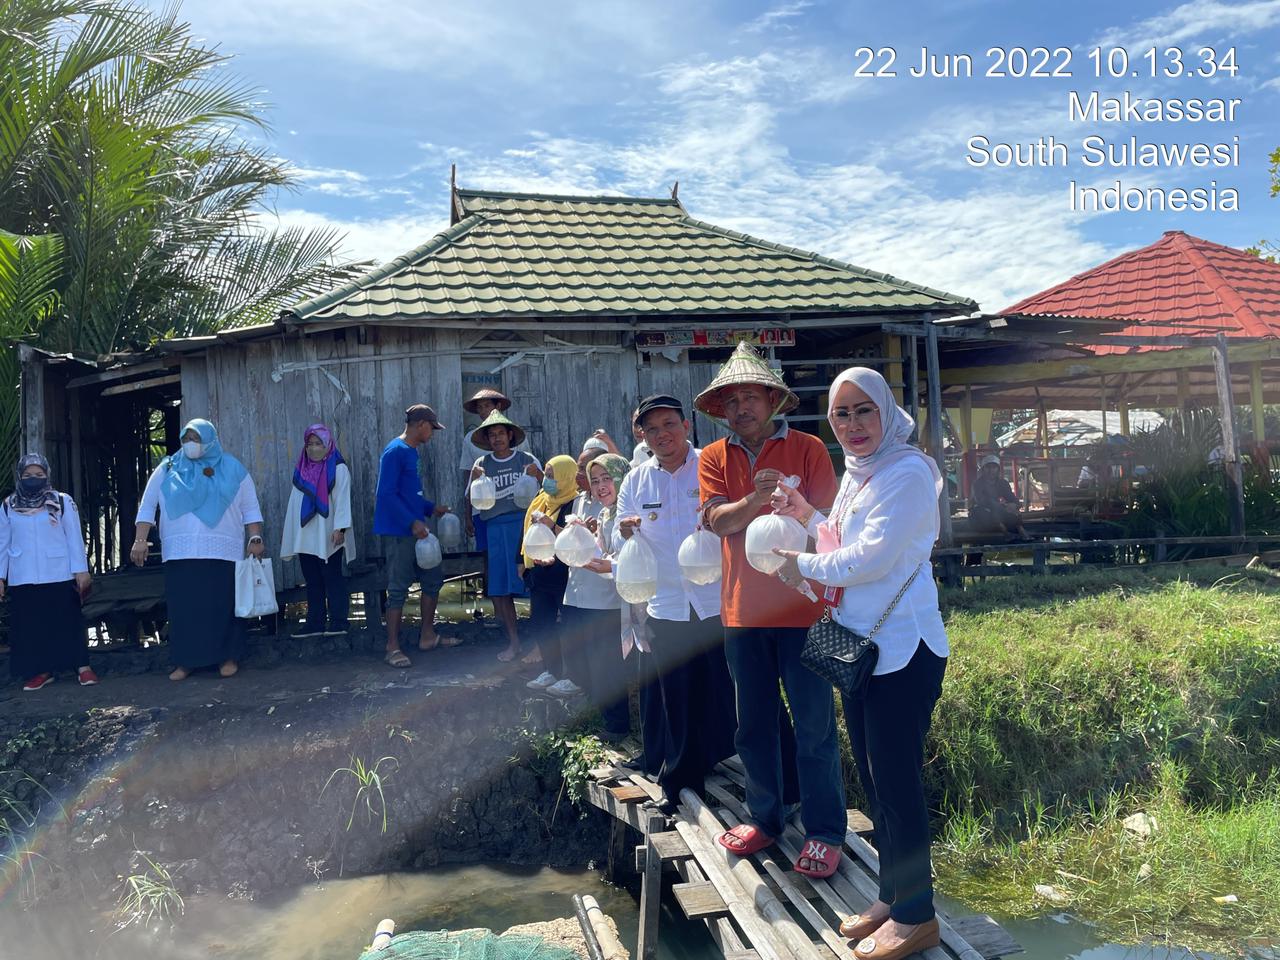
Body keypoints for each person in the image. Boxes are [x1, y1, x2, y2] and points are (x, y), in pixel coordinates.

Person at [772, 367, 949, 960]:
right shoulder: (858, 475)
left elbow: (869, 559)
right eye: (841, 414)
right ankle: (893, 895)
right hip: (862, 645)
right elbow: (839, 540)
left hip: (905, 649)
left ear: (887, 412)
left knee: (898, 782)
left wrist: (801, 563)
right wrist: (808, 517)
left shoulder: (908, 473)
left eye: (863, 410)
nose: (852, 425)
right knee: (874, 777)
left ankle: (917, 916)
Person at [695, 342, 844, 878]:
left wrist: (792, 507)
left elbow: (828, 525)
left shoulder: (808, 448)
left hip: (804, 610)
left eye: (751, 397)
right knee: (752, 724)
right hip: (741, 613)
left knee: (814, 727)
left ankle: (826, 830)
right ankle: (765, 816)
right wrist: (758, 499)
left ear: (772, 401)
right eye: (731, 401)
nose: (742, 409)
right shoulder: (714, 457)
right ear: (722, 411)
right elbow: (719, 523)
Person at [615, 395, 736, 816]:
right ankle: (679, 782)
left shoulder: (712, 464)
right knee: (676, 696)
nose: (662, 435)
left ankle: (727, 760)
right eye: (652, 430)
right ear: (642, 437)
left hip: (717, 600)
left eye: (669, 425)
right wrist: (626, 531)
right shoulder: (636, 480)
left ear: (686, 425)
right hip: (666, 604)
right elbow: (619, 535)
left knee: (726, 688)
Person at [132, 419, 264, 680]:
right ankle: (185, 661)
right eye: (186, 438)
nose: (190, 444)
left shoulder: (233, 468)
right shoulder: (168, 468)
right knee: (185, 608)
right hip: (180, 551)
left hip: (222, 549)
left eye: (196, 438)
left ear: (210, 440)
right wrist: (139, 540)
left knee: (222, 605)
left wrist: (255, 537)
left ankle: (227, 658)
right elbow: (147, 505)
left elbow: (250, 507)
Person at [0, 454, 95, 690]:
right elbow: (2, 543)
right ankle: (42, 671)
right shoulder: (8, 506)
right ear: (19, 477)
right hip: (23, 575)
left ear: (47, 475)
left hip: (59, 572)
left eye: (39, 475)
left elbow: (74, 537)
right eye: (28, 475)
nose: (34, 479)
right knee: (33, 626)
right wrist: (0, 576)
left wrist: (81, 571)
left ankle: (83, 667)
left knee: (68, 621)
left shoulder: (61, 501)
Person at [373, 404, 452, 668]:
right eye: (432, 428)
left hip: (417, 530)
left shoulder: (411, 452)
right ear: (421, 425)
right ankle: (392, 646)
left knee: (432, 579)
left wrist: (430, 509)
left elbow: (408, 495)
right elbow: (385, 495)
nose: (433, 433)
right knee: (397, 589)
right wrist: (411, 523)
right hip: (400, 533)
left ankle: (427, 635)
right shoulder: (395, 452)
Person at [568, 453, 635, 740]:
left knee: (612, 665)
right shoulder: (607, 514)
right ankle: (615, 724)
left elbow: (634, 557)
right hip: (611, 594)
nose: (600, 486)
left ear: (622, 478)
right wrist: (585, 536)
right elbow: (604, 555)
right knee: (602, 663)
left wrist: (609, 564)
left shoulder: (628, 514)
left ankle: (620, 726)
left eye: (607, 478)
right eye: (595, 481)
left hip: (625, 602)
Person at [468, 410, 540, 661]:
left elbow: (547, 492)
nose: (497, 438)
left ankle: (541, 644)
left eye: (501, 433)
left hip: (523, 528)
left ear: (510, 435)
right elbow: (474, 500)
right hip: (495, 529)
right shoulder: (481, 466)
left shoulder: (526, 460)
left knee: (534, 584)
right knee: (501, 590)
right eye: (492, 435)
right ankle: (514, 642)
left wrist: (538, 475)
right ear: (487, 440)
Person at [281, 423, 354, 637]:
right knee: (312, 578)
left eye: (318, 443)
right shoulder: (302, 469)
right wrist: (293, 533)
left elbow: (342, 500)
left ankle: (339, 621)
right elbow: (295, 504)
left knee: (332, 576)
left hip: (329, 532)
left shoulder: (337, 467)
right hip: (306, 534)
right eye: (309, 444)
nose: (313, 449)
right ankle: (315, 622)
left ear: (328, 444)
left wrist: (340, 528)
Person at [522, 455, 580, 691]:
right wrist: (521, 561)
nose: (547, 481)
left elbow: (574, 538)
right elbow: (526, 528)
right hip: (539, 572)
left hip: (563, 574)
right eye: (545, 475)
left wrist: (551, 525)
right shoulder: (541, 499)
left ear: (565, 476)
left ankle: (574, 675)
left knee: (569, 626)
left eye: (551, 476)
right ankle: (551, 670)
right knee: (542, 623)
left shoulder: (574, 502)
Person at [460, 388, 532, 552]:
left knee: (517, 553)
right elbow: (467, 477)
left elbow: (528, 471)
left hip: (513, 508)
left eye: (487, 406)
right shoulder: (470, 439)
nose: (483, 411)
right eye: (480, 408)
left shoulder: (514, 435)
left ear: (498, 406)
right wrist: (468, 515)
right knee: (489, 554)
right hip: (482, 508)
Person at [970, 454, 1028, 540]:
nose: (991, 470)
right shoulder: (977, 484)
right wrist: (1002, 506)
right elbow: (981, 501)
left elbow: (1012, 498)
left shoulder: (1002, 483)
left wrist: (1014, 505)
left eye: (994, 467)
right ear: (983, 469)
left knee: (1014, 513)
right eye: (988, 467)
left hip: (999, 512)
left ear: (998, 469)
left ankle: (1021, 531)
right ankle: (1005, 532)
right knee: (986, 511)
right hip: (982, 513)